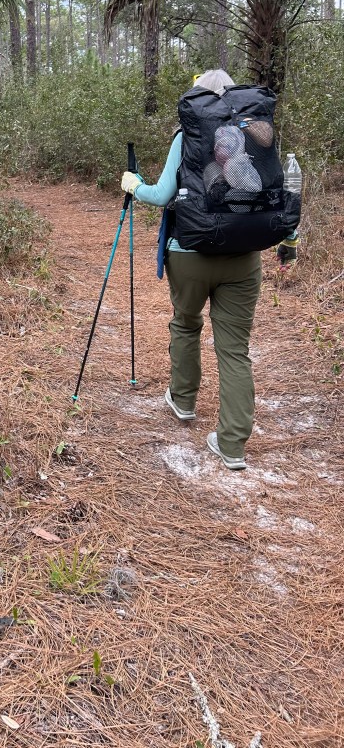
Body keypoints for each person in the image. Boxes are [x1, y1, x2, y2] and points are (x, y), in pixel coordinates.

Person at [120, 69, 289, 471]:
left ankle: (183, 400)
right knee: (235, 350)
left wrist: (133, 185)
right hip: (244, 257)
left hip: (189, 253)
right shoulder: (255, 135)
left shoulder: (189, 136)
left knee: (185, 323)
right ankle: (232, 444)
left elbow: (162, 194)